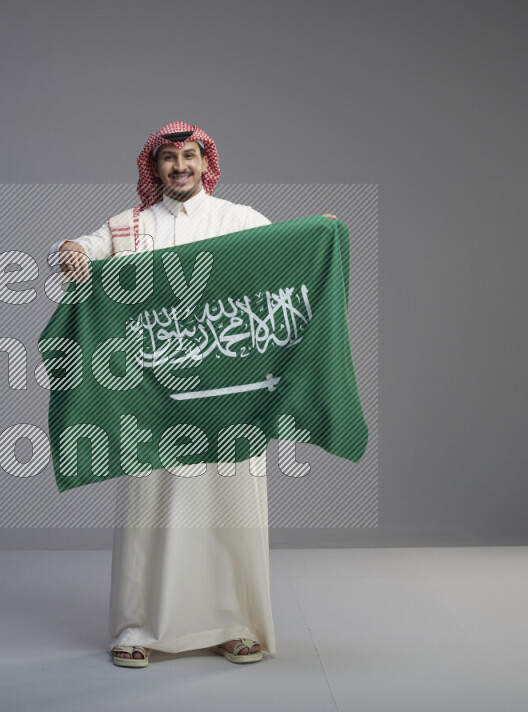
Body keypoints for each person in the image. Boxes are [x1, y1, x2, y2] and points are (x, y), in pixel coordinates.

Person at [50, 121, 337, 667]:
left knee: (230, 510)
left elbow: (286, 255)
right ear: (153, 168)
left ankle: (234, 625)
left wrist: (319, 232)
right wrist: (66, 249)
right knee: (148, 512)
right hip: (155, 397)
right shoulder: (129, 227)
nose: (180, 167)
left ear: (206, 163)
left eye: (189, 157)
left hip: (230, 393)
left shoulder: (238, 219)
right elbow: (82, 249)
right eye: (168, 159)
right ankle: (137, 628)